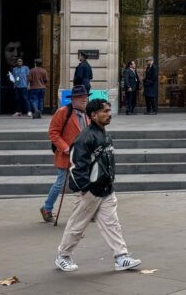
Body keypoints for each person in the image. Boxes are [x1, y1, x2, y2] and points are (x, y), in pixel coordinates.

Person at [55, 98, 142, 274]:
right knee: (77, 226)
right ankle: (63, 256)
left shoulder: (104, 134)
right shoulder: (84, 138)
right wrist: (86, 189)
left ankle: (121, 257)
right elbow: (76, 167)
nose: (109, 114)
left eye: (109, 111)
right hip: (91, 191)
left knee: (112, 224)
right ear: (94, 115)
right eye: (105, 111)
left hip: (106, 189)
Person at [41, 84, 88, 222]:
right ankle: (47, 208)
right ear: (73, 99)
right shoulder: (63, 112)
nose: (84, 100)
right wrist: (66, 148)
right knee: (61, 183)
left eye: (85, 97)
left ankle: (87, 210)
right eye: (81, 97)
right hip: (66, 154)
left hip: (83, 156)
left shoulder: (88, 113)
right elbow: (53, 133)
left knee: (87, 183)